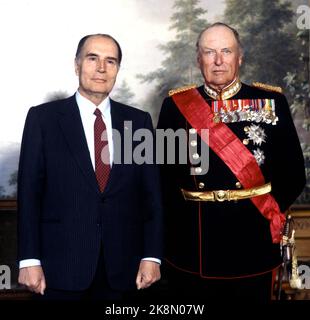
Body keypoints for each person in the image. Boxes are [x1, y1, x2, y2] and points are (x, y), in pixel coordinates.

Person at [157, 22, 306, 302]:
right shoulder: (175, 106)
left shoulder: (270, 101)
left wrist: (267, 215)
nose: (218, 60)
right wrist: (177, 230)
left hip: (252, 240)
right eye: (209, 52)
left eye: (226, 51)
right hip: (193, 246)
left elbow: (294, 173)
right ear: (198, 58)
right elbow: (163, 179)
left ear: (240, 56)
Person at [17, 34, 163, 300]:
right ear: (76, 65)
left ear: (118, 69)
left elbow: (151, 198)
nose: (101, 68)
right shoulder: (43, 119)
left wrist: (152, 256)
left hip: (125, 273)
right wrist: (29, 260)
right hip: (60, 269)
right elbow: (29, 196)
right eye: (92, 58)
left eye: (111, 61)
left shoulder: (138, 122)